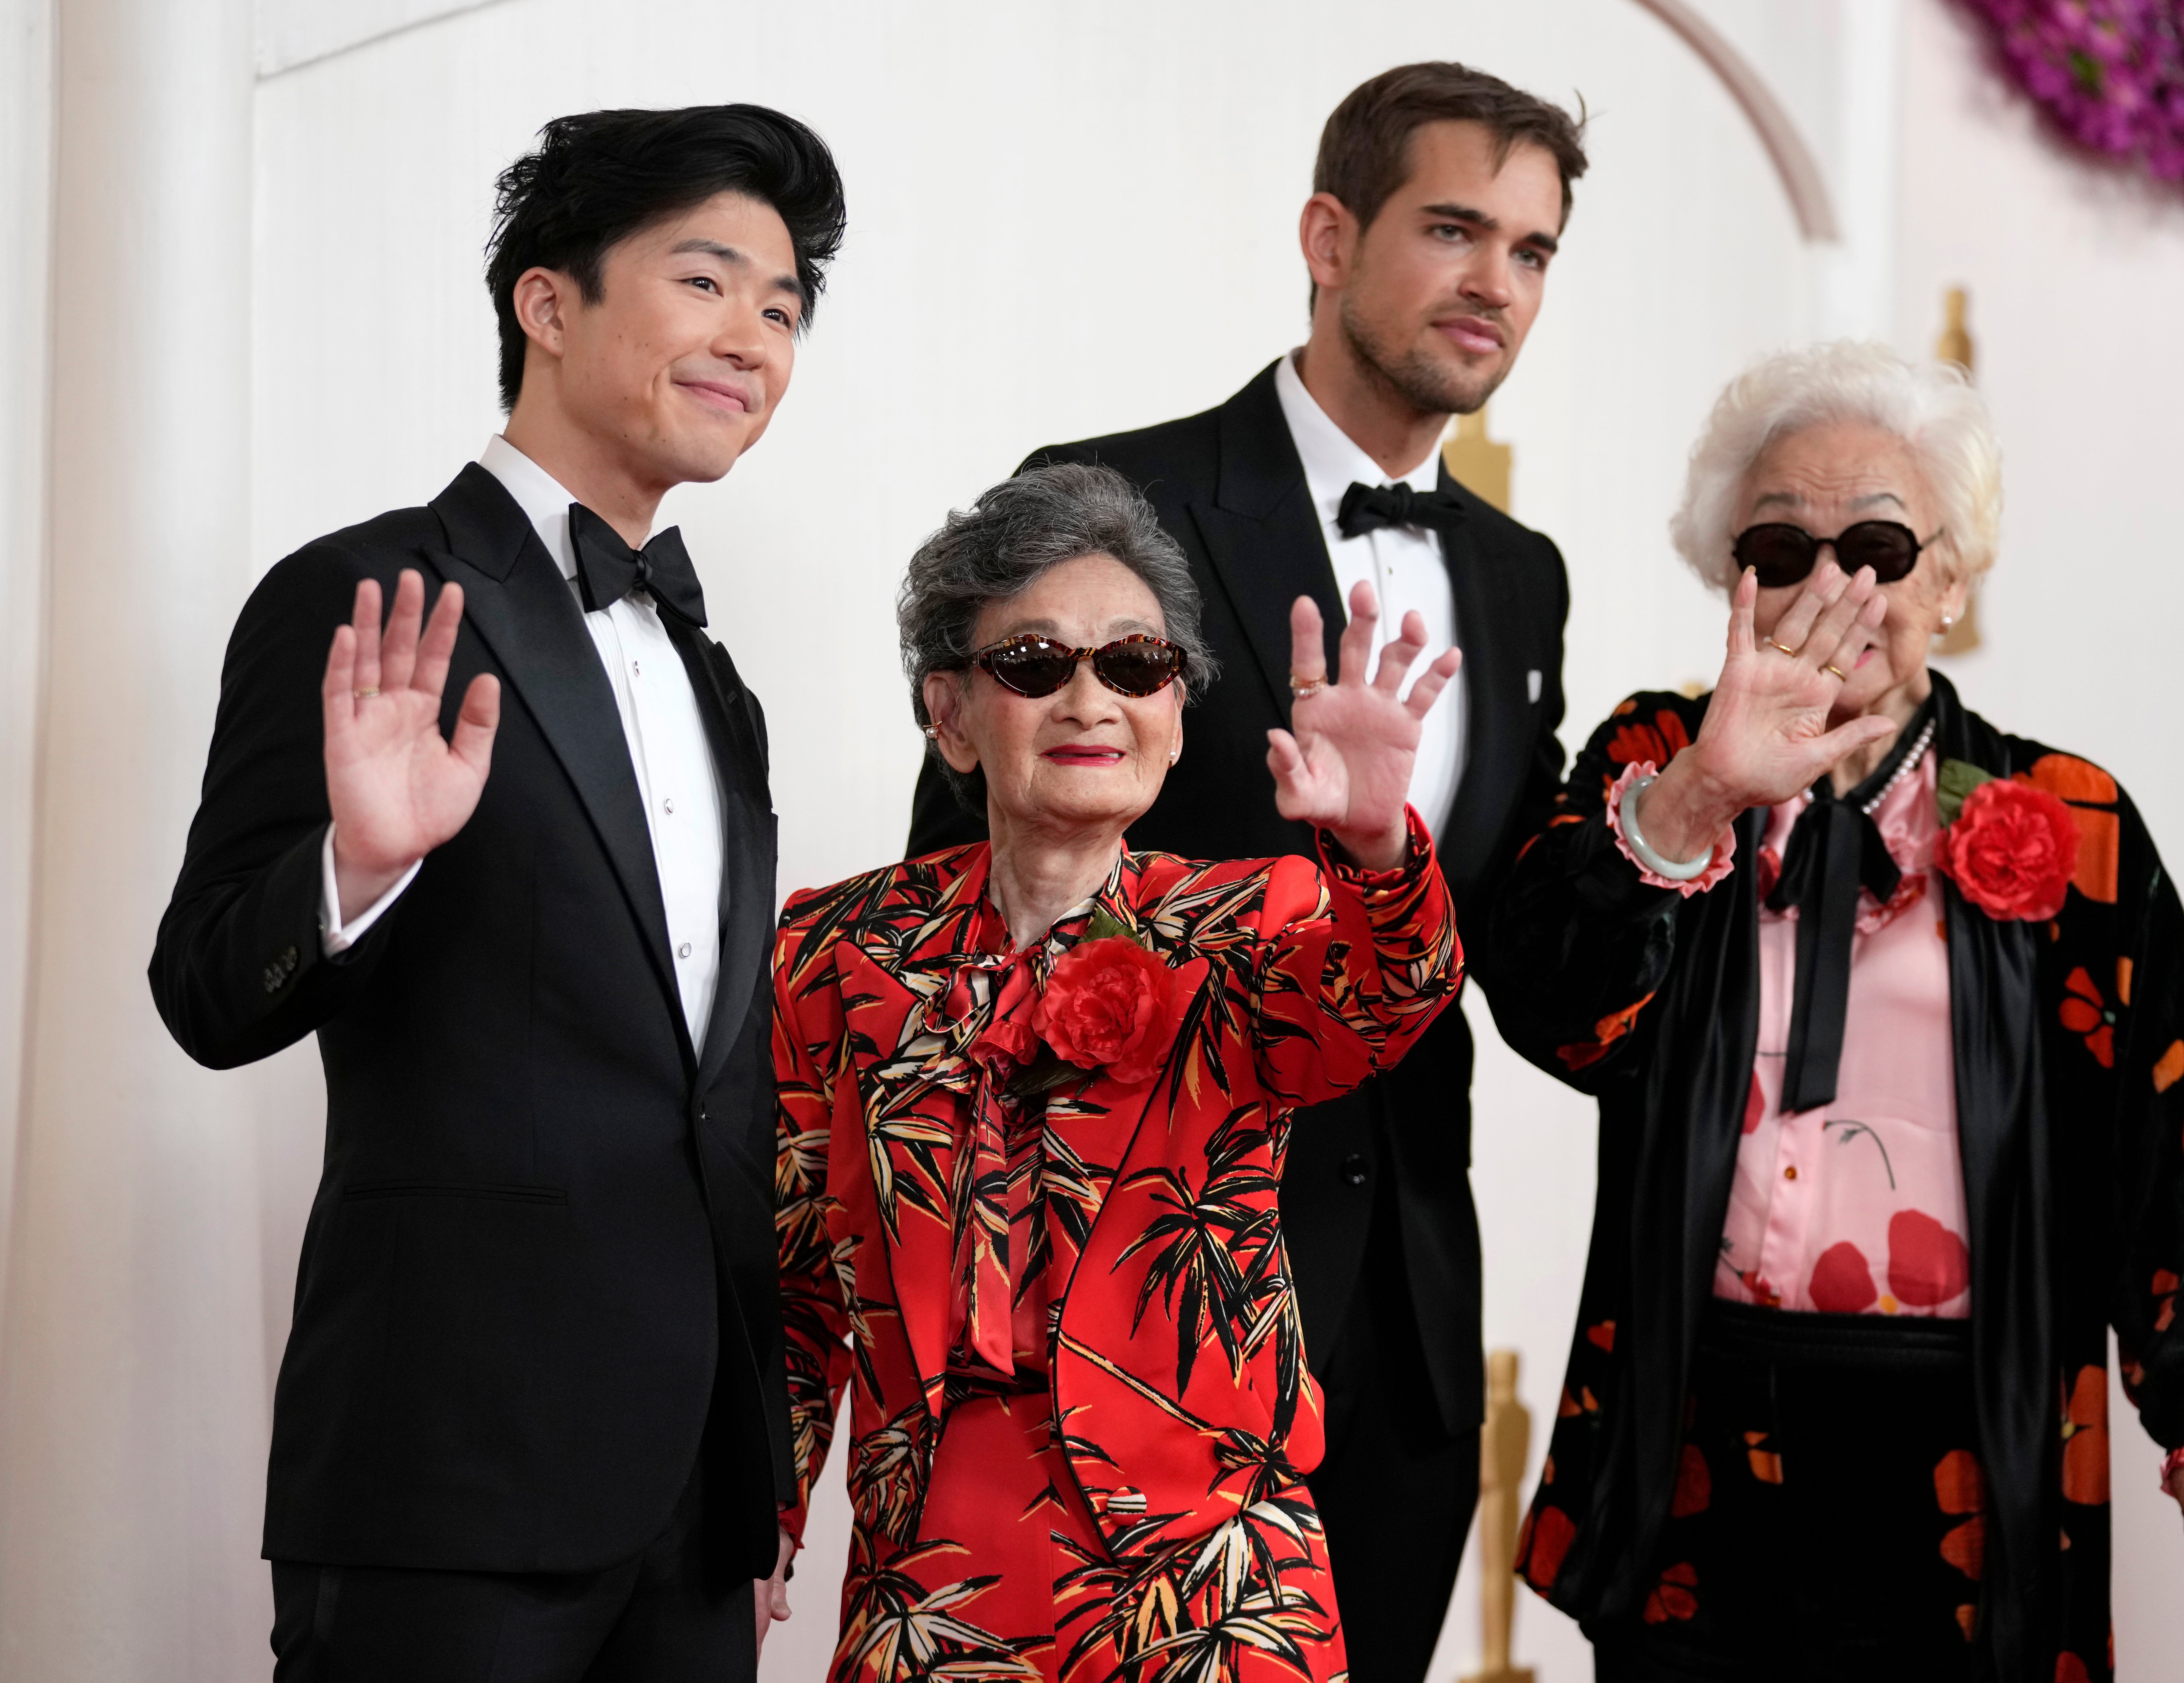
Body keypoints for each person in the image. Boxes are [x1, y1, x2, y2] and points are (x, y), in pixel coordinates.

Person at [904, 64, 1585, 1675]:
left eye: (1537, 252)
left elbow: (1512, 950)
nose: (1498, 282)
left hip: (1404, 1339)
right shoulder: (1102, 497)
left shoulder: (1519, 575)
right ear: (1329, 235)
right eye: (1456, 228)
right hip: (1117, 1316)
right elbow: (956, 907)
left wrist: (1690, 802)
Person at [149, 105, 843, 1679]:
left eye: (785, 308)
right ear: (547, 300)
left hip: (691, 1496)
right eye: (709, 281)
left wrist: (755, 1458)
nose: (754, 336)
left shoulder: (716, 684)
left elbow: (709, 1096)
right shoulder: (368, 593)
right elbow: (202, 986)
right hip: (445, 1477)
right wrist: (360, 865)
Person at [1494, 343, 2184, 1681]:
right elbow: (1554, 1012)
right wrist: (1699, 798)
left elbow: (2179, 1151)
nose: (1832, 588)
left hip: (1969, 1434)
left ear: (1955, 578)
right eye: (1780, 548)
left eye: (1877, 544)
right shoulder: (1651, 759)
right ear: (1728, 576)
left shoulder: (2068, 817)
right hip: (1700, 1412)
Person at [779, 464, 1465, 1680]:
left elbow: (1387, 996)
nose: (1089, 697)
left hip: (1215, 1592)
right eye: (1035, 662)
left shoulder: (1260, 921)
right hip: (934, 1585)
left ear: (1175, 708)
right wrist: (760, 1522)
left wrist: (1372, 847)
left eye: (1135, 664)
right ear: (948, 713)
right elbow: (792, 1281)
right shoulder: (834, 954)